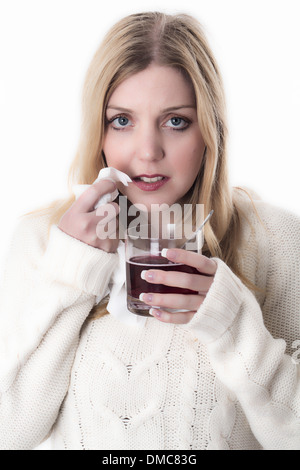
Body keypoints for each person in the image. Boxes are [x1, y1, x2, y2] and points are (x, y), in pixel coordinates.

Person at [0, 11, 299, 451]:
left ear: (209, 130)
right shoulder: (43, 240)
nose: (147, 152)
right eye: (122, 120)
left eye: (175, 121)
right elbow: (11, 431)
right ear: (97, 132)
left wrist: (231, 322)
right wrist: (72, 272)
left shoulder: (277, 241)